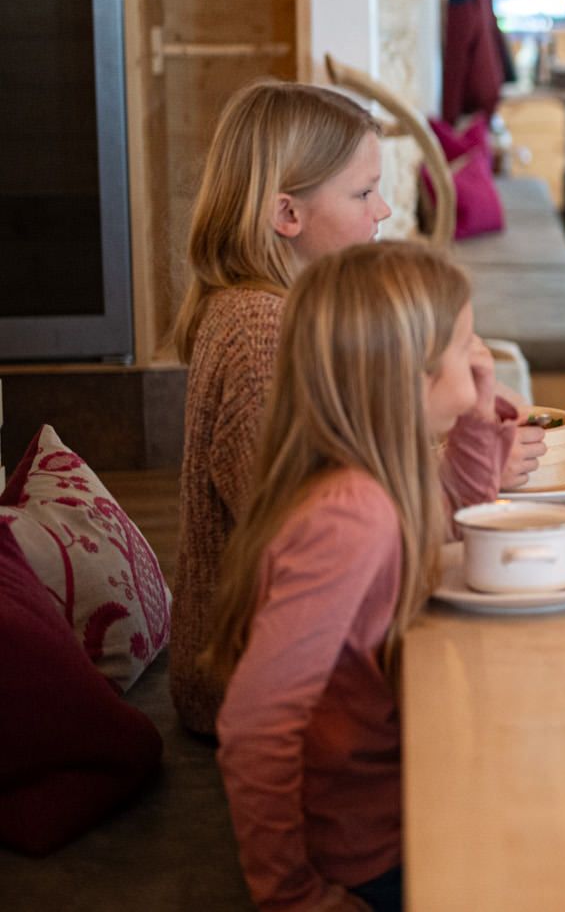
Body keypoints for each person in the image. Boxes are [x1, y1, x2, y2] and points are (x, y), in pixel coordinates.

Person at [168, 81, 540, 737]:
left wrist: (463, 439)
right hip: (262, 684)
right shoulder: (263, 333)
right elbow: (318, 544)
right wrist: (457, 453)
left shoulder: (280, 314)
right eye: (364, 192)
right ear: (288, 213)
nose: (385, 208)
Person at [206, 242, 499, 912]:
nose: (481, 359)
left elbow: (463, 540)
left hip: (384, 812)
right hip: (369, 852)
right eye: (464, 346)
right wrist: (294, 897)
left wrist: (476, 416)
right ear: (406, 376)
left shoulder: (369, 476)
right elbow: (254, 723)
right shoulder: (353, 514)